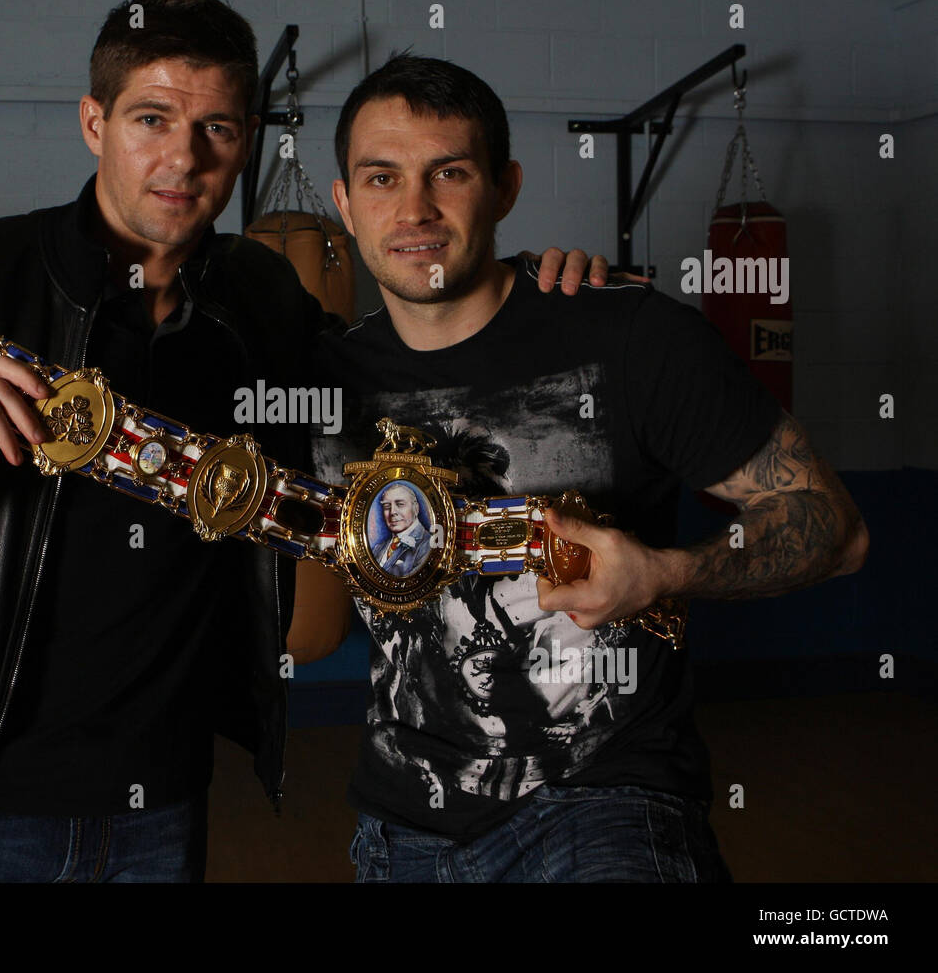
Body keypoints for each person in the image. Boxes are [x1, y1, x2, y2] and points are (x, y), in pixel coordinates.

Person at [0, 0, 612, 883]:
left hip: (160, 813)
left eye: (217, 130)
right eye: (151, 118)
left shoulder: (262, 302)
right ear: (93, 122)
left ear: (245, 148)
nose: (182, 159)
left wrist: (527, 290)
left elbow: (400, 375)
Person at [304, 53, 869, 883]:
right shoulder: (320, 383)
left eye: (448, 173)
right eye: (382, 178)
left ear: (504, 188)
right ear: (345, 205)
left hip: (603, 803)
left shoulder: (630, 336)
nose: (415, 208)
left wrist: (665, 572)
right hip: (401, 825)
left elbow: (837, 530)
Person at [369, 482, 433, 577]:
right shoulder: (378, 548)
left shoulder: (429, 545)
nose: (392, 512)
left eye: (400, 504)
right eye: (387, 506)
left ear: (416, 508)